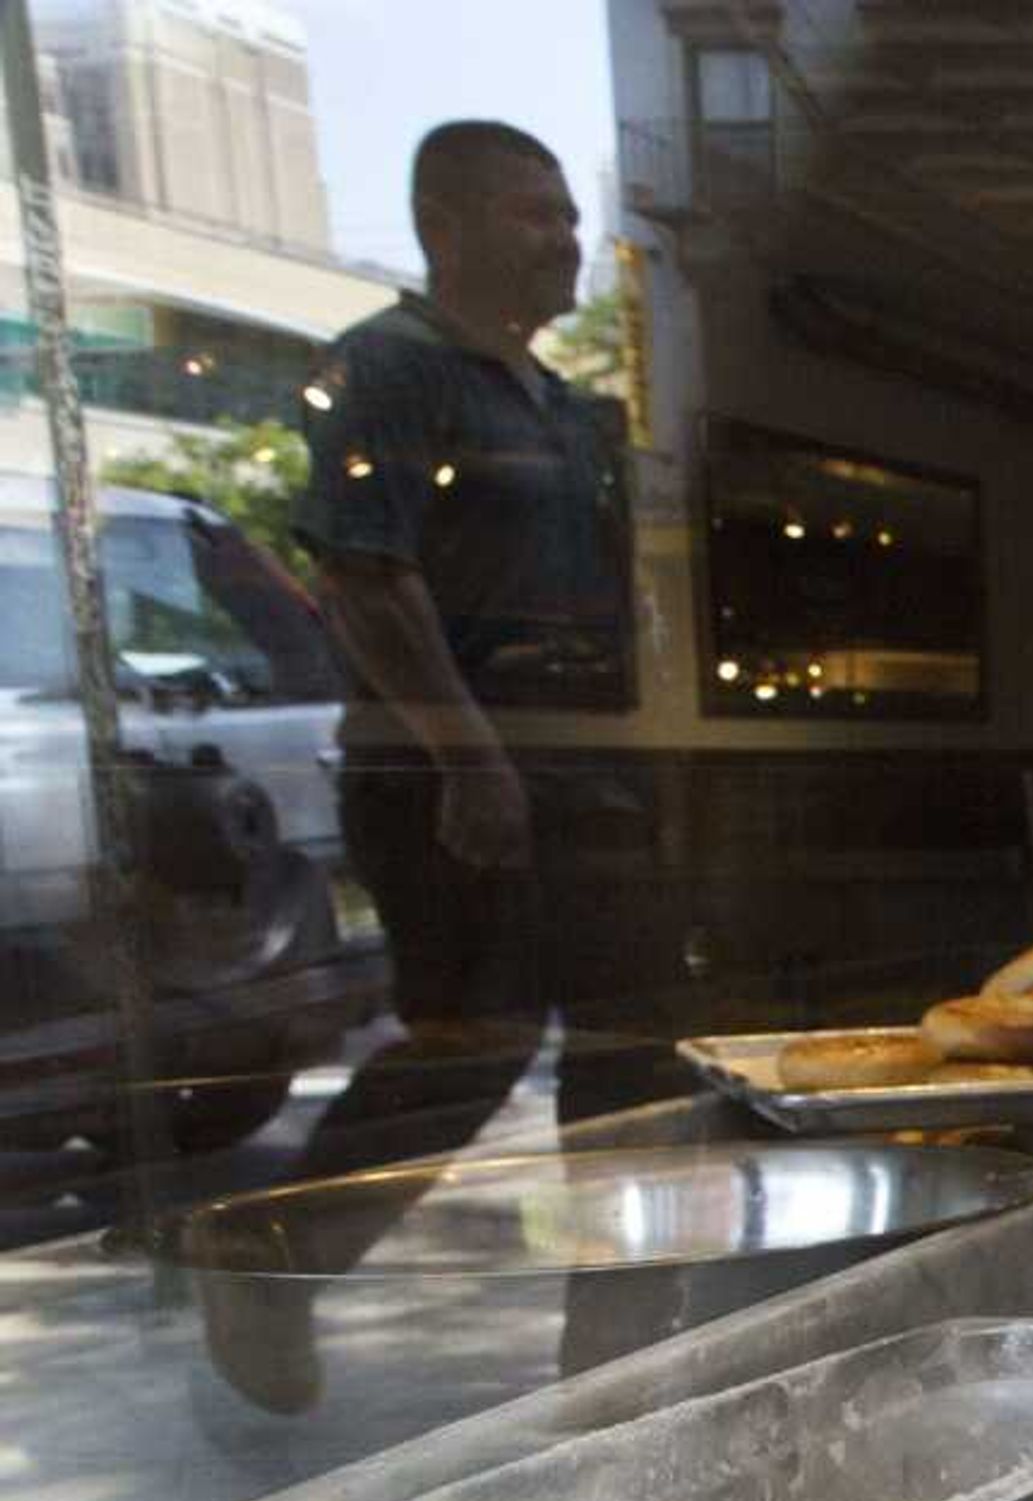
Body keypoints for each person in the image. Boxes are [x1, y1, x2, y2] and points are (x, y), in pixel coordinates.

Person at [289, 118, 643, 1185]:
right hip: (460, 772)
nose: (566, 239)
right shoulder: (394, 369)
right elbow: (366, 576)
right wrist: (469, 758)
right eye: (533, 214)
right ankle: (283, 1253)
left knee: (623, 1046)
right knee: (470, 1047)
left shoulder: (559, 405)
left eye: (571, 215)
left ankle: (621, 1314)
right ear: (439, 224)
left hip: (580, 767)